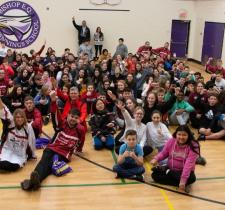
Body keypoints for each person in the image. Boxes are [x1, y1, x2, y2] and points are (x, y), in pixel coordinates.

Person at [21, 108, 85, 191]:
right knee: (44, 161)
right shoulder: (62, 123)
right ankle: (36, 180)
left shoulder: (80, 129)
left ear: (79, 119)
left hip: (63, 153)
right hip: (52, 148)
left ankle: (35, 180)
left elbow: (82, 139)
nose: (73, 119)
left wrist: (79, 149)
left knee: (49, 163)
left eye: (76, 118)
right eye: (72, 116)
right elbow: (55, 114)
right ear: (68, 115)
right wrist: (54, 101)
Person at [151, 125, 200, 193]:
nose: (181, 137)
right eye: (179, 134)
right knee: (154, 175)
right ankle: (170, 173)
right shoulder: (171, 141)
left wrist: (182, 182)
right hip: (172, 169)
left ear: (189, 135)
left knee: (192, 179)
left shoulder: (194, 145)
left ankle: (168, 172)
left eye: (184, 135)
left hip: (184, 172)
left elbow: (188, 166)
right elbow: (164, 153)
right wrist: (156, 159)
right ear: (176, 134)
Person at [0, 97, 36, 172]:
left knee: (14, 166)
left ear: (24, 118)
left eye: (21, 117)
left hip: (20, 154)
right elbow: (4, 110)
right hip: (7, 150)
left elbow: (32, 141)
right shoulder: (10, 124)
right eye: (17, 117)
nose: (19, 119)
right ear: (14, 118)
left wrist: (32, 155)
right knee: (4, 162)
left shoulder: (28, 127)